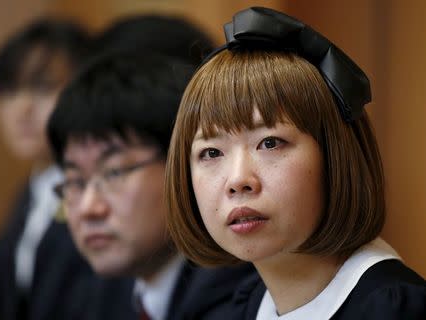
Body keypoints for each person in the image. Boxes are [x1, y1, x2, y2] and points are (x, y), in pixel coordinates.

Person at [165, 7, 426, 319]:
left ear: (335, 156)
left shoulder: (396, 309)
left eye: (270, 143)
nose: (238, 180)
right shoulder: (236, 308)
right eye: (211, 153)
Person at [47, 51, 255, 320]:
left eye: (114, 173)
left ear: (182, 166)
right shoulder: (102, 293)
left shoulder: (236, 297)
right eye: (75, 182)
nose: (89, 208)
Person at [0, 18, 93, 319]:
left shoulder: (97, 197)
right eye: (9, 90)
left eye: (42, 88)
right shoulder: (31, 192)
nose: (22, 108)